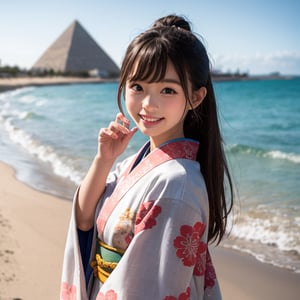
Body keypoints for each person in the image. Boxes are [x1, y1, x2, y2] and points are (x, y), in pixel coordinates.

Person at [60, 14, 233, 300]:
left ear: (196, 97)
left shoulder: (177, 183)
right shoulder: (134, 161)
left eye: (167, 90)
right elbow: (83, 220)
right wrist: (104, 159)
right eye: (138, 87)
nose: (148, 105)